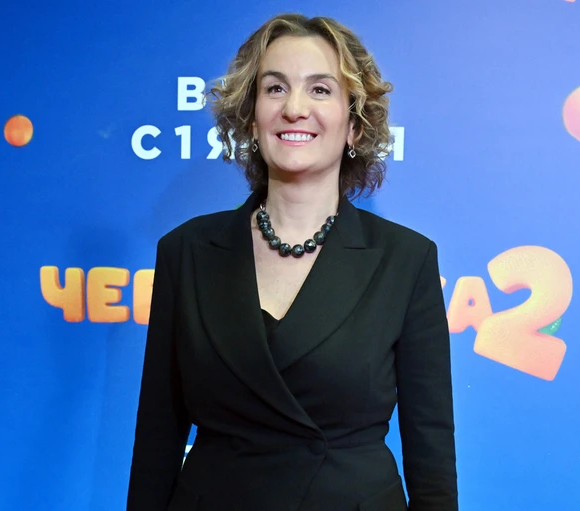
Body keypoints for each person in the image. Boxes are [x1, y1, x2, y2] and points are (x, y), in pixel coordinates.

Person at [127, 13, 458, 511]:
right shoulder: (186, 251)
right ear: (251, 116)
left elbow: (430, 450)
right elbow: (158, 436)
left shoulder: (406, 260)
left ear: (355, 125)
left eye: (320, 90)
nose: (294, 109)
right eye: (275, 88)